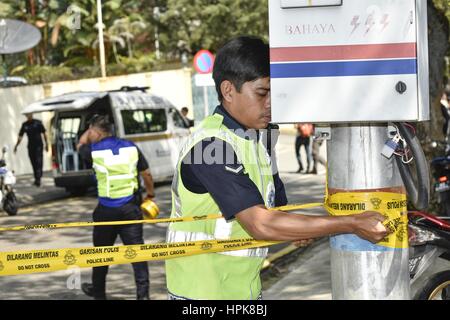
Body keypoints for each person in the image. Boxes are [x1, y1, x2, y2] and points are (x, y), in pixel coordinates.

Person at [164, 36, 388, 300]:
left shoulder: (261, 134)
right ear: (228, 91)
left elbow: (274, 200)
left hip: (245, 289)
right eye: (261, 93)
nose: (271, 103)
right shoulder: (210, 146)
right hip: (201, 294)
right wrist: (350, 223)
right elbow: (261, 224)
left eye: (275, 93)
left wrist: (295, 227)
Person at [76, 115, 155, 300]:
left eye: (90, 131)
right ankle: (143, 296)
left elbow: (79, 145)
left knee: (101, 254)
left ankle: (98, 293)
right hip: (130, 209)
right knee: (138, 255)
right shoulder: (131, 147)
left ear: (95, 132)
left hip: (106, 210)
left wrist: (86, 134)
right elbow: (147, 174)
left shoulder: (92, 151)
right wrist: (150, 195)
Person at [14, 113, 48, 187]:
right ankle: (37, 178)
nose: (29, 116)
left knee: (39, 162)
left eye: (30, 115)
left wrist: (47, 144)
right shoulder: (25, 125)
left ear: (32, 115)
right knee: (33, 162)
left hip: (39, 145)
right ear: (26, 116)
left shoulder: (38, 123)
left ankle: (38, 179)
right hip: (31, 146)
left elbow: (44, 133)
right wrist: (16, 146)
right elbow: (20, 136)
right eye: (27, 115)